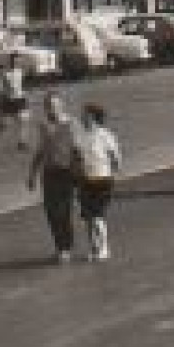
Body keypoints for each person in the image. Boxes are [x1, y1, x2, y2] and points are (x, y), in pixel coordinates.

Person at [28, 92, 81, 264]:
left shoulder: (72, 124)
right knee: (51, 212)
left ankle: (66, 248)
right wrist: (32, 174)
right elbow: (40, 151)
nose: (52, 109)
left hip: (67, 172)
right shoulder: (44, 126)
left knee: (64, 211)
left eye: (55, 105)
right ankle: (61, 248)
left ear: (62, 105)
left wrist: (81, 172)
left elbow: (79, 149)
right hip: (49, 173)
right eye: (48, 106)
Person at [73, 103, 122, 262]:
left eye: (85, 114)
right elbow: (77, 155)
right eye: (82, 114)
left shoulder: (105, 135)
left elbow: (115, 157)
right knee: (88, 218)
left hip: (103, 179)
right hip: (85, 180)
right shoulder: (80, 134)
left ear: (93, 117)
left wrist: (114, 171)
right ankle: (93, 249)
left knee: (97, 216)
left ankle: (104, 248)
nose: (82, 117)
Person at [0, 54, 31, 150]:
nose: (17, 63)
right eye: (15, 61)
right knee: (4, 124)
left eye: (19, 61)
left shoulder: (21, 71)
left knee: (23, 120)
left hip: (20, 99)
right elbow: (0, 86)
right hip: (8, 100)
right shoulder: (5, 73)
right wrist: (2, 93)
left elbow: (22, 84)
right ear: (11, 61)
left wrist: (25, 93)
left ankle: (22, 142)